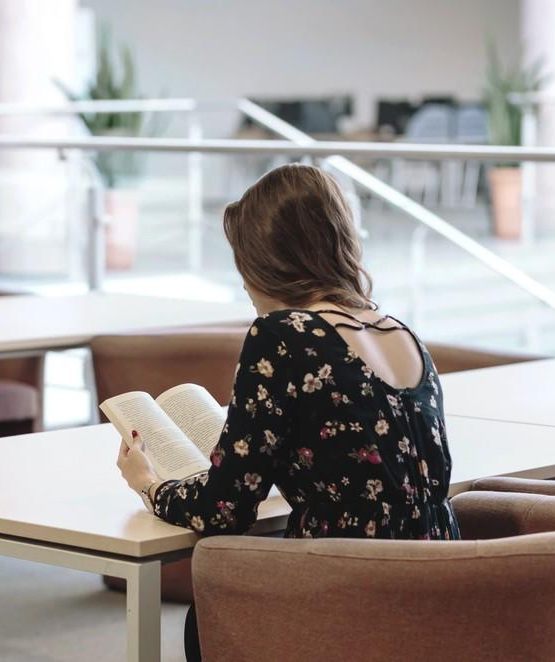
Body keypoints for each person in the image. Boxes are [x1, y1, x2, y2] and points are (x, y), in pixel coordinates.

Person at [116, 164, 459, 661]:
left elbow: (224, 510)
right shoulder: (402, 332)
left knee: (207, 616)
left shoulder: (282, 333)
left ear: (266, 262)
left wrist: (149, 484)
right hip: (445, 587)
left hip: (352, 589)